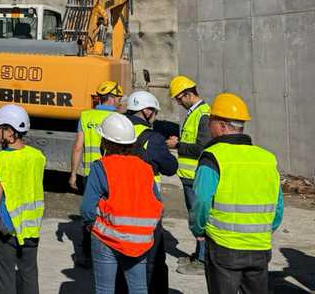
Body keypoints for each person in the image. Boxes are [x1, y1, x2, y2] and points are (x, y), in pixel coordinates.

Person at [189, 93, 283, 294]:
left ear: (222, 125)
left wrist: (198, 230)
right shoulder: (267, 159)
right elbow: (278, 208)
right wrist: (260, 232)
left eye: (211, 120)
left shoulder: (213, 158)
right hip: (259, 248)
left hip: (224, 248)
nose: (208, 125)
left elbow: (201, 202)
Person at [81, 113, 163, 294]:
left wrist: (90, 225)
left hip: (106, 237)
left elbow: (87, 208)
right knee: (139, 288)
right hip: (140, 240)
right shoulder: (145, 168)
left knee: (105, 289)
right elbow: (157, 202)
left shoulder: (101, 166)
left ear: (105, 142)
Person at [116, 91, 177, 294]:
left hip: (116, 204)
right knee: (152, 259)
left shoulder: (114, 132)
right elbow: (170, 167)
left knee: (120, 254)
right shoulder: (152, 139)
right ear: (147, 111)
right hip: (146, 207)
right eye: (154, 112)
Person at [0, 104, 45, 294]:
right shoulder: (37, 156)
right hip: (31, 226)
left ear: (10, 131)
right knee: (29, 275)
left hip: (6, 228)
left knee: (5, 277)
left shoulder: (0, 160)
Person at [69, 80, 123, 267]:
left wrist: (73, 174)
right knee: (110, 213)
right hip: (112, 174)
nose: (119, 102)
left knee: (90, 212)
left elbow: (78, 147)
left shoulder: (86, 116)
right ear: (112, 98)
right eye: (118, 98)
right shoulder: (118, 118)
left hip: (89, 174)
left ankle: (86, 254)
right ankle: (110, 253)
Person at [166, 75, 211, 275]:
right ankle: (199, 255)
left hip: (196, 177)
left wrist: (178, 145)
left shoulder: (203, 114)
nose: (178, 102)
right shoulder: (195, 113)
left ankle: (203, 260)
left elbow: (202, 147)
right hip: (188, 176)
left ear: (188, 94)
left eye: (179, 98)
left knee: (200, 218)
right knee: (196, 217)